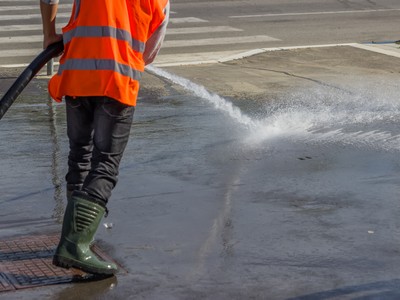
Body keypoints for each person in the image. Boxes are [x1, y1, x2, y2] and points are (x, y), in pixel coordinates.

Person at [40, 0, 170, 276]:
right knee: (105, 165)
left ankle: (74, 240)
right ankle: (75, 245)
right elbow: (149, 51)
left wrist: (49, 34)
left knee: (80, 157)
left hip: (76, 73)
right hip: (117, 80)